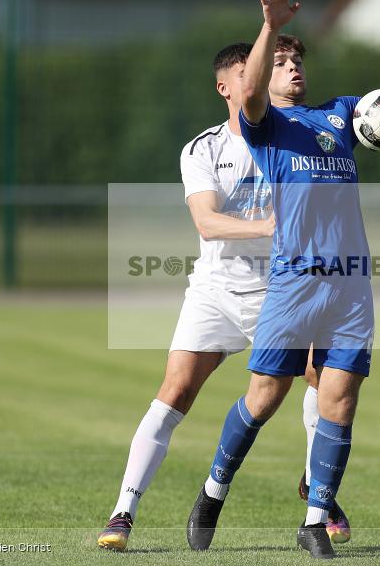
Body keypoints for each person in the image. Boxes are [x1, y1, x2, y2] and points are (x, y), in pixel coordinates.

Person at [185, 0, 380, 559]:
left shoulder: (339, 118)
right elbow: (248, 94)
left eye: (298, 60)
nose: (293, 68)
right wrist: (272, 26)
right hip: (294, 281)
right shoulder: (266, 127)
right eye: (281, 62)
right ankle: (213, 492)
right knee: (265, 396)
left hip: (349, 284)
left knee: (340, 399)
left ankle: (315, 519)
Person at [98, 42, 350, 551]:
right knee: (175, 391)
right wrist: (274, 226)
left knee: (325, 380)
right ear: (226, 87)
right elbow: (207, 223)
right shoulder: (205, 148)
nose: (256, 78)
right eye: (246, 72)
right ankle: (123, 511)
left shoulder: (293, 137)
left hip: (281, 291)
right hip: (215, 292)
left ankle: (314, 486)